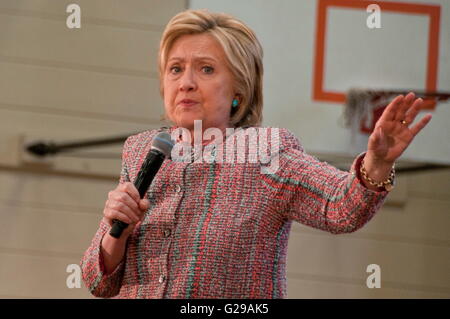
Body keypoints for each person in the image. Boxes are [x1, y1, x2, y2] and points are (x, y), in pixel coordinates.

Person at [80, 9, 432, 299]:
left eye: (205, 69)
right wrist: (118, 233)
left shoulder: (266, 153)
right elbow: (99, 282)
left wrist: (379, 161)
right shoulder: (142, 151)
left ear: (238, 89)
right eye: (175, 69)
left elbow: (342, 208)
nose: (186, 82)